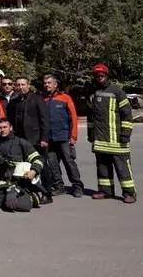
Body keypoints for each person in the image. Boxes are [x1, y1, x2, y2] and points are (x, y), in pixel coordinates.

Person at [88, 64, 136, 203]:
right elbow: (91, 116)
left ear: (107, 75)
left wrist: (126, 134)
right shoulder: (93, 93)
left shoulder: (117, 92)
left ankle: (129, 193)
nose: (99, 76)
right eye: (96, 75)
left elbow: (127, 115)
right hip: (100, 140)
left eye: (101, 74)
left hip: (117, 139)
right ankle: (105, 191)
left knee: (123, 168)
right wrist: (91, 133)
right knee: (102, 167)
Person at [0, 118, 49, 212]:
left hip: (19, 184)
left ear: (11, 128)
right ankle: (9, 199)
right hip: (1, 183)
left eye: (5, 127)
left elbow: (38, 159)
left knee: (24, 206)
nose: (2, 130)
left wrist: (33, 171)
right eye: (0, 128)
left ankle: (29, 196)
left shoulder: (21, 143)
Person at [7, 77, 51, 195]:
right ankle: (29, 189)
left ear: (28, 85)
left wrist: (44, 138)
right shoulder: (14, 100)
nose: (21, 87)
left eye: (23, 84)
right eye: (18, 85)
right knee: (25, 164)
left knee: (41, 164)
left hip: (36, 138)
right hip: (21, 138)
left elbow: (45, 120)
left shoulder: (37, 98)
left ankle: (47, 190)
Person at [43, 74, 83, 198]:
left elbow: (74, 118)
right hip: (49, 139)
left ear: (55, 84)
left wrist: (73, 136)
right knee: (53, 164)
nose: (47, 85)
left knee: (69, 162)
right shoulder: (42, 99)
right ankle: (59, 186)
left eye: (49, 82)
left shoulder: (65, 98)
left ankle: (77, 186)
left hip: (64, 137)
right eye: (45, 83)